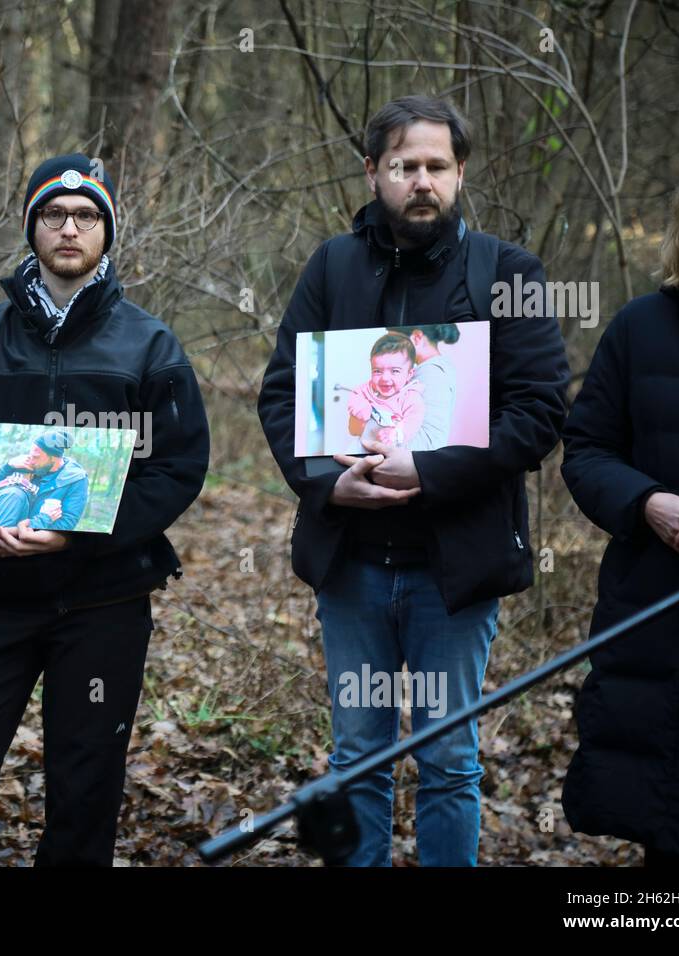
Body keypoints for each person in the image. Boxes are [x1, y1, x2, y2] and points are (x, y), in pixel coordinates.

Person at [257, 95, 569, 866]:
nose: (420, 181)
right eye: (403, 166)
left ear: (460, 173)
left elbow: (538, 412)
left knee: (448, 763)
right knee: (356, 758)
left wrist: (428, 470)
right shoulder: (333, 265)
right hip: (352, 563)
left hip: (453, 570)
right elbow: (281, 393)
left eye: (436, 166)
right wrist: (328, 483)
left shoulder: (507, 273)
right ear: (373, 173)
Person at [0, 153, 210, 865]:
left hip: (104, 601)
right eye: (53, 215)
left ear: (105, 232)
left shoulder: (149, 344)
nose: (68, 228)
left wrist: (81, 535)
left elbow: (177, 468)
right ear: (31, 229)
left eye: (86, 216)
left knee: (83, 794)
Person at [560, 136, 679, 867]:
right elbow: (587, 449)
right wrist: (648, 502)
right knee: (666, 839)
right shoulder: (641, 327)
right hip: (656, 617)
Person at [0, 430, 90, 531]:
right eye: (30, 454)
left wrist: (33, 525)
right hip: (2, 525)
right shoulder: (28, 464)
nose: (30, 459)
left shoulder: (76, 479)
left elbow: (67, 524)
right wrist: (8, 467)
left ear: (54, 458)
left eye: (36, 457)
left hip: (30, 536)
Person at [344, 332, 425, 450]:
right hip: (362, 446)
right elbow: (356, 394)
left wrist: (395, 433)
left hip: (391, 451)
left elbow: (414, 420)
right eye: (377, 371)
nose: (385, 378)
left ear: (409, 374)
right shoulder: (369, 388)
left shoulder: (410, 397)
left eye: (395, 371)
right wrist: (361, 408)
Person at [403, 323, 461, 451]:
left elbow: (428, 442)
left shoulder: (431, 373)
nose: (389, 349)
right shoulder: (431, 369)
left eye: (393, 342)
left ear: (417, 337)